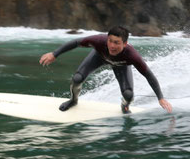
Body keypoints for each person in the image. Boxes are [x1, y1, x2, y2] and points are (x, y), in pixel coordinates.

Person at [39, 26, 172, 114]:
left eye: (117, 43)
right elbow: (76, 42)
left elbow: (149, 75)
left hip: (121, 65)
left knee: (128, 94)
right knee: (77, 78)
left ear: (125, 44)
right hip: (99, 57)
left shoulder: (132, 55)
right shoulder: (98, 41)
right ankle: (73, 100)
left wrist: (160, 98)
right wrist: (54, 54)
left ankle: (125, 106)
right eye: (110, 41)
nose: (112, 46)